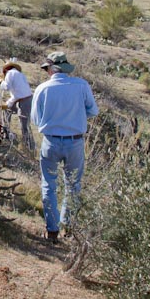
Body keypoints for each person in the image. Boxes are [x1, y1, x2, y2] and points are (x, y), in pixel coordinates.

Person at [31, 51, 98, 242]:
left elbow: (36, 119)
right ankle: (68, 226)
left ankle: (52, 230)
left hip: (50, 141)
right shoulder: (81, 85)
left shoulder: (43, 89)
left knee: (48, 184)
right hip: (75, 141)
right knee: (73, 185)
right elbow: (93, 110)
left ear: (51, 69)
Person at [0, 59, 35, 151]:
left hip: (24, 101)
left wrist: (1, 81)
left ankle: (28, 145)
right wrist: (8, 104)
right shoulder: (19, 74)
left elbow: (7, 87)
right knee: (6, 110)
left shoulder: (10, 74)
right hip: (24, 99)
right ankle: (6, 132)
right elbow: (17, 94)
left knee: (24, 123)